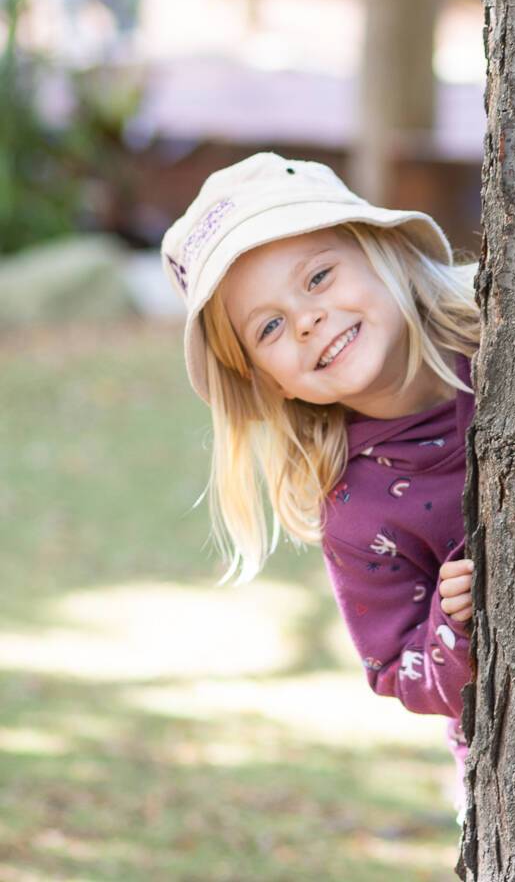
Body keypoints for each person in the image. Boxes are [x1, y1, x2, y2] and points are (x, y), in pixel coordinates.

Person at [160, 152, 481, 804]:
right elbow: (397, 670)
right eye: (271, 326)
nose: (307, 319)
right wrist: (457, 626)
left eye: (319, 276)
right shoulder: (356, 508)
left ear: (379, 249)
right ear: (263, 379)